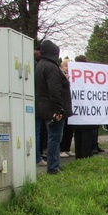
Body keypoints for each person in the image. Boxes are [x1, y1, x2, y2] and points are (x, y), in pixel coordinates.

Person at [34, 40, 71, 174]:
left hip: (44, 106)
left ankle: (54, 164)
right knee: (55, 138)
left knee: (52, 137)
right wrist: (60, 109)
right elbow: (55, 90)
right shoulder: (51, 67)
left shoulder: (40, 66)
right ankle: (53, 167)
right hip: (53, 108)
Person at [34, 41, 48, 166]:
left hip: (38, 103)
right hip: (38, 104)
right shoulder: (38, 66)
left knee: (39, 130)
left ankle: (38, 154)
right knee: (36, 130)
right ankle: (36, 157)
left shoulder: (37, 65)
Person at [59, 59, 75, 158]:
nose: (68, 68)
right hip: (63, 106)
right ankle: (61, 149)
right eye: (66, 66)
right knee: (63, 129)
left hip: (70, 106)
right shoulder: (60, 75)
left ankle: (67, 148)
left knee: (69, 129)